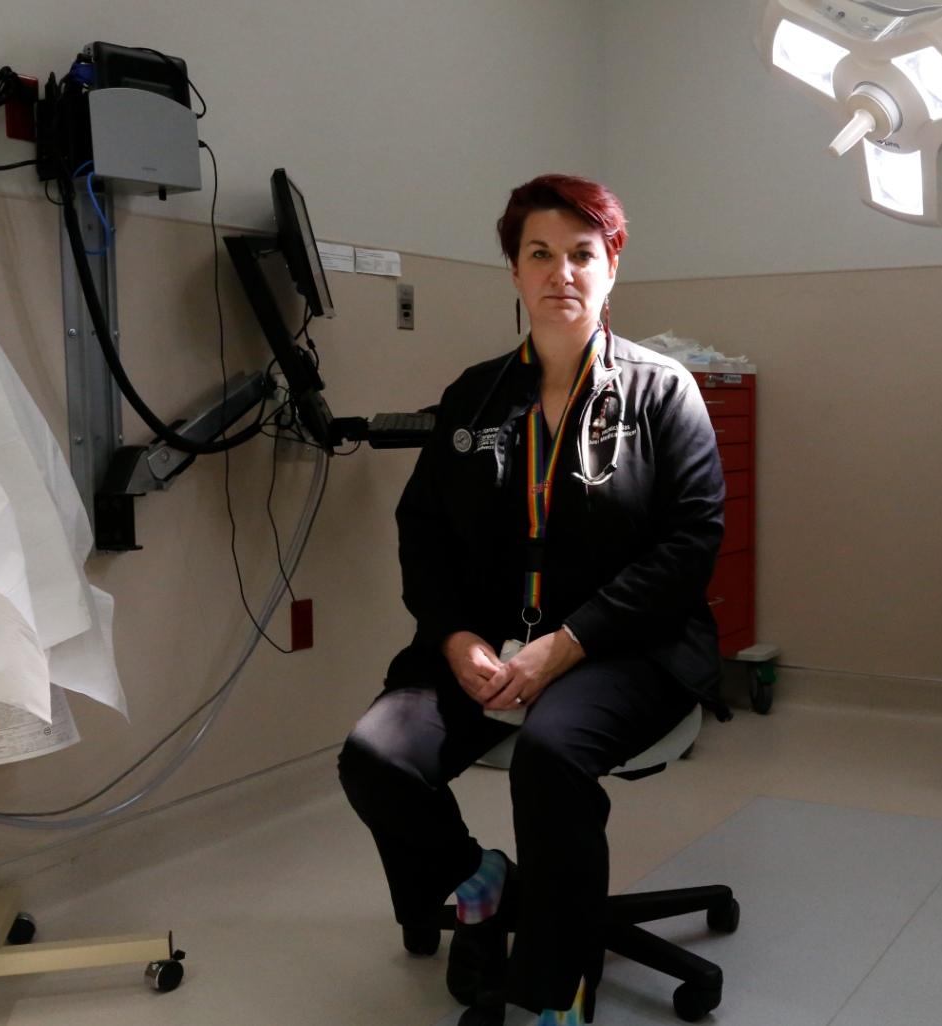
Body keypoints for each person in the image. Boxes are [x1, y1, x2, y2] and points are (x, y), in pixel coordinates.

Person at [338, 174, 727, 1025]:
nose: (562, 273)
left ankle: (556, 988)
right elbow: (424, 532)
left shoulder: (663, 393)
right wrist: (452, 639)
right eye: (539, 254)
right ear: (513, 272)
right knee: (375, 756)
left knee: (552, 756)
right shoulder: (474, 397)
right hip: (485, 644)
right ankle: (481, 883)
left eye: (581, 254)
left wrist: (570, 643)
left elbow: (690, 546)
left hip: (629, 647)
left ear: (612, 265)